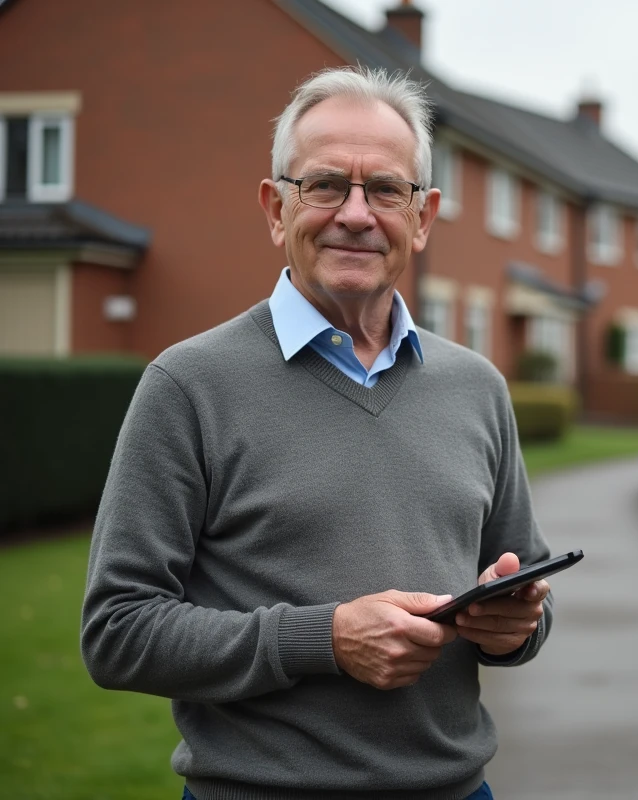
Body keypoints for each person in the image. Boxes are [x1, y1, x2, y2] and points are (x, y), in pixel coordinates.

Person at [80, 66, 554, 800]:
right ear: (277, 209)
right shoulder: (187, 386)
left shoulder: (478, 387)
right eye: (326, 185)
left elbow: (528, 596)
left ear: (423, 217)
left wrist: (514, 626)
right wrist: (324, 638)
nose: (356, 215)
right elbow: (118, 631)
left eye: (386, 190)